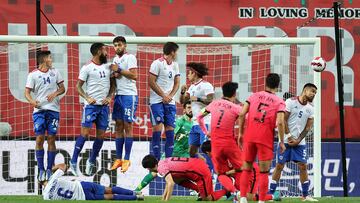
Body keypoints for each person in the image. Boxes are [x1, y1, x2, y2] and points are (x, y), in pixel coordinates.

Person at [238, 73, 286, 203]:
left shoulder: (254, 96)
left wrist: (240, 133)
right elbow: (280, 122)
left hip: (249, 136)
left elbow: (242, 114)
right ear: (278, 85)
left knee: (246, 168)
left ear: (265, 82)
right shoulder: (279, 102)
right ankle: (262, 201)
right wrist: (282, 141)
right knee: (264, 172)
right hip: (265, 138)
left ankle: (242, 198)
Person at [69, 43, 116, 176]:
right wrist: (87, 97)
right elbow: (78, 87)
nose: (107, 53)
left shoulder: (108, 67)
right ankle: (73, 161)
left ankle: (91, 160)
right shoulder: (87, 68)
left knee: (101, 136)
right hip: (90, 107)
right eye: (105, 50)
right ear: (98, 52)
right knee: (84, 134)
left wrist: (109, 97)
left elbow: (113, 85)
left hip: (104, 107)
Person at [269, 83, 318, 202]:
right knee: (279, 166)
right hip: (285, 140)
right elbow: (283, 120)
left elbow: (307, 128)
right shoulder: (290, 102)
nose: (313, 94)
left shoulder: (311, 108)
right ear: (305, 90)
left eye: (315, 93)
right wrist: (289, 136)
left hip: (299, 143)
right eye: (312, 91)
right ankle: (270, 194)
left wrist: (298, 141)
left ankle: (305, 195)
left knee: (303, 166)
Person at [134, 101, 193, 192]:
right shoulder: (180, 121)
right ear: (184, 110)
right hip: (173, 151)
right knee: (155, 171)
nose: (191, 109)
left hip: (184, 153)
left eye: (192, 107)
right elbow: (171, 135)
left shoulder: (194, 124)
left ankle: (196, 190)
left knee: (191, 172)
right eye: (189, 107)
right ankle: (137, 190)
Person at [25, 50, 66, 181]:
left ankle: (49, 169)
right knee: (40, 138)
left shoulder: (55, 72)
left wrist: (55, 94)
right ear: (43, 60)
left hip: (53, 110)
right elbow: (27, 93)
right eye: (49, 57)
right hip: (39, 111)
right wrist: (32, 102)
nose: (51, 59)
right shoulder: (33, 75)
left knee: (52, 138)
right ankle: (41, 169)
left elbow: (62, 89)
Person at [197, 81, 242, 192]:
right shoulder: (237, 108)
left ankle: (234, 192)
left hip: (215, 144)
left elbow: (199, 116)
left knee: (221, 173)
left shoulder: (213, 104)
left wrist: (206, 131)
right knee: (242, 168)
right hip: (229, 143)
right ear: (234, 94)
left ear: (223, 92)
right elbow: (246, 118)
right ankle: (242, 193)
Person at [201, 141, 281, 202]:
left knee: (249, 197)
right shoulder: (216, 157)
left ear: (208, 152)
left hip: (251, 171)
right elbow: (220, 173)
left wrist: (227, 173)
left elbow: (242, 167)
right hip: (239, 174)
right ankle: (233, 192)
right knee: (242, 195)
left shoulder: (227, 152)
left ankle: (273, 196)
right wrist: (225, 174)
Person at [141, 154, 227, 201]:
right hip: (198, 166)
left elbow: (170, 184)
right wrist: (163, 199)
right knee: (176, 178)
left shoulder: (161, 168)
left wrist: (166, 201)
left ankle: (227, 191)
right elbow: (169, 183)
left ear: (149, 168)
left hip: (201, 173)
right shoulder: (163, 161)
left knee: (208, 199)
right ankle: (199, 190)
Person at [109, 36, 138, 173]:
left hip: (129, 95)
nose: (117, 47)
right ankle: (118, 158)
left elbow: (134, 75)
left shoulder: (130, 57)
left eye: (119, 45)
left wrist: (119, 70)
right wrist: (115, 75)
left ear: (125, 45)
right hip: (119, 95)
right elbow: (118, 76)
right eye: (115, 45)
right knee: (118, 126)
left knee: (128, 125)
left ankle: (127, 159)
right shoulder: (115, 60)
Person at [41, 163, 143, 201]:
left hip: (82, 197)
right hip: (82, 186)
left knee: (109, 197)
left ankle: (137, 197)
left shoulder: (46, 197)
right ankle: (135, 192)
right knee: (109, 189)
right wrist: (52, 168)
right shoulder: (53, 179)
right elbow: (64, 166)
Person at [149, 42, 180, 160]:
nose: (177, 54)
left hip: (170, 102)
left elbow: (177, 82)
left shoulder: (175, 65)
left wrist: (170, 96)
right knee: (158, 128)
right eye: (176, 51)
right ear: (172, 52)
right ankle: (156, 160)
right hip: (157, 101)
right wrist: (163, 95)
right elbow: (151, 82)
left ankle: (168, 161)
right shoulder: (157, 63)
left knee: (170, 130)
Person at [180, 62, 214, 157]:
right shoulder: (191, 87)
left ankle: (213, 171)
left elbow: (211, 100)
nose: (188, 76)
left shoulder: (206, 85)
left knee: (207, 149)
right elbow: (182, 101)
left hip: (205, 122)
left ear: (194, 73)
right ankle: (196, 170)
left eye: (189, 73)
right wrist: (182, 92)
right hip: (194, 123)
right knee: (191, 152)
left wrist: (198, 99)